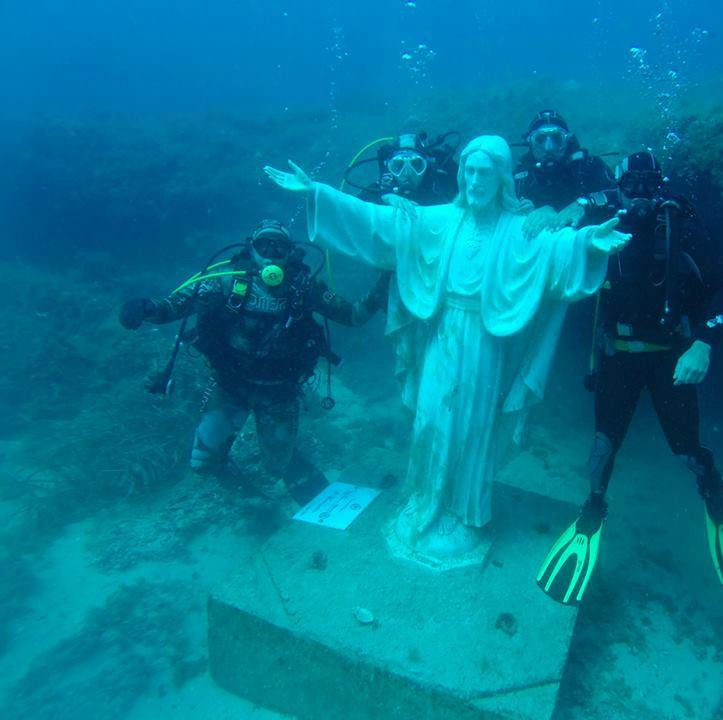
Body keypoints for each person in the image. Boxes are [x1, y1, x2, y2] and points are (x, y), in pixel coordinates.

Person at [264, 136, 629, 560]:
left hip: (485, 344)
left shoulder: (517, 228)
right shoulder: (439, 220)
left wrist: (588, 244)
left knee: (473, 427)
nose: (475, 180)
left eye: (485, 173)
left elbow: (555, 248)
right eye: (469, 171)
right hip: (444, 338)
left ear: (502, 179)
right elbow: (378, 223)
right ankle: (426, 500)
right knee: (432, 420)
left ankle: (463, 513)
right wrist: (318, 193)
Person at [537, 151, 723, 605]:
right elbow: (561, 229)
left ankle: (712, 490)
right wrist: (553, 210)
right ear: (618, 187)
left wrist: (704, 343)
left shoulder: (681, 227)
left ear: (660, 187)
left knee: (685, 447)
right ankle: (594, 507)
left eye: (648, 186)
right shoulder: (603, 216)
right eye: (630, 187)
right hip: (617, 357)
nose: (639, 196)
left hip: (670, 360)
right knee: (605, 443)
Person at [118, 220, 389, 502]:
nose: (271, 252)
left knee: (276, 466)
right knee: (203, 461)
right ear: (251, 247)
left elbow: (352, 315)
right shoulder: (224, 280)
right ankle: (253, 502)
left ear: (290, 252)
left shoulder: (304, 287)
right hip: (229, 386)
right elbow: (173, 307)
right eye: (264, 245)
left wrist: (383, 286)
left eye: (279, 246)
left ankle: (289, 465)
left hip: (279, 391)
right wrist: (145, 308)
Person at [514, 110, 615, 238]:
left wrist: (585, 203)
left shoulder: (589, 166)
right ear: (530, 143)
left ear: (567, 140)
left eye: (557, 139)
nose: (548, 148)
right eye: (540, 140)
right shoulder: (521, 178)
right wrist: (528, 213)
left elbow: (617, 194)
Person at [357, 131, 459, 206]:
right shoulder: (378, 191)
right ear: (389, 168)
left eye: (416, 165)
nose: (407, 173)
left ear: (427, 165)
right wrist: (385, 195)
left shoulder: (443, 184)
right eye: (398, 166)